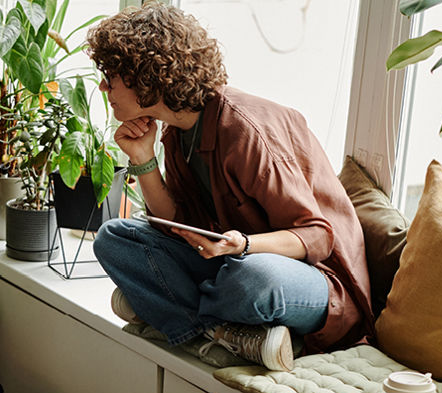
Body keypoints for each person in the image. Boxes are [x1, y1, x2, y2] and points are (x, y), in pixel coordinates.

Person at [85, 2, 372, 371]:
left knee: (253, 278)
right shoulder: (177, 132)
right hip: (230, 263)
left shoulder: (245, 130)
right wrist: (143, 158)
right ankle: (226, 334)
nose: (103, 86)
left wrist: (244, 245)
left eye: (110, 76)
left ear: (146, 76)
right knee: (114, 238)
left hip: (314, 283)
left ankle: (180, 319)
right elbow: (178, 224)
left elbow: (317, 236)